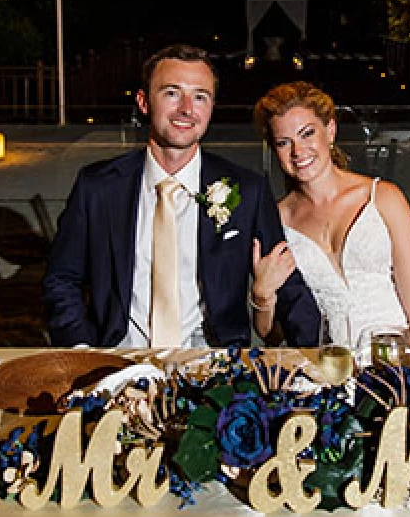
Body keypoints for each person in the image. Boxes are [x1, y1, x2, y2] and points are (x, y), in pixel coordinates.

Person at [43, 44, 320, 349]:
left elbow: (291, 290)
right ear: (144, 102)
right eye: (172, 93)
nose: (187, 109)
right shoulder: (97, 187)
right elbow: (61, 281)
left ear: (211, 108)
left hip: (212, 369)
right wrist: (82, 353)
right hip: (118, 361)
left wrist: (315, 359)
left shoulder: (247, 190)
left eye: (200, 96)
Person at [250, 80, 410, 351]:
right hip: (328, 366)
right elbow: (273, 336)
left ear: (330, 131)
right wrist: (262, 295)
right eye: (284, 143)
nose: (298, 151)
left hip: (399, 356)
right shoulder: (276, 221)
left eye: (307, 134)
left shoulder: (383, 198)